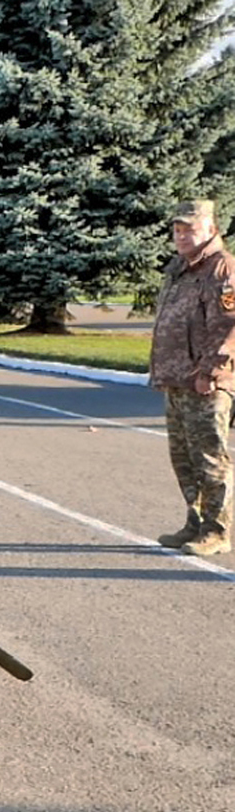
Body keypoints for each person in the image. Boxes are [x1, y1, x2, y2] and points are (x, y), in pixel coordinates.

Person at [149, 199, 235, 557]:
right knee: (183, 457)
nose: (182, 236)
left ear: (211, 230)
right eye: (178, 230)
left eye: (190, 229)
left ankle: (217, 530)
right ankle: (195, 523)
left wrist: (213, 371)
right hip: (177, 379)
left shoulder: (222, 269)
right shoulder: (181, 269)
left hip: (206, 382)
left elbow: (231, 325)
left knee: (210, 457)